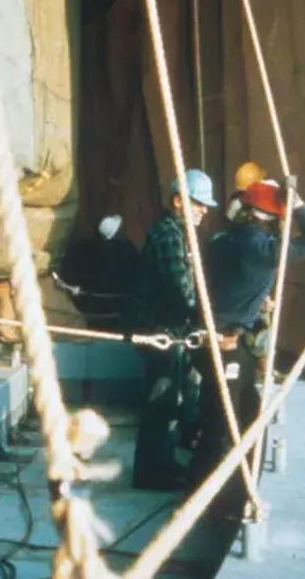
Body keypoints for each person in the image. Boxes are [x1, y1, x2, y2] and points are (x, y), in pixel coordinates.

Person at [190, 178, 305, 510]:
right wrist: (297, 205)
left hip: (208, 338)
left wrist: (255, 301)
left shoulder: (221, 241)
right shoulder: (266, 250)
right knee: (229, 422)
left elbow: (234, 283)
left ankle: (201, 488)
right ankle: (211, 498)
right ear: (274, 215)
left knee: (219, 414)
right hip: (226, 342)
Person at [126, 169, 218, 490]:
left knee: (173, 399)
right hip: (161, 331)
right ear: (179, 201)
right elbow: (180, 289)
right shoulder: (170, 235)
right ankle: (151, 472)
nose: (205, 210)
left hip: (169, 329)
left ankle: (161, 463)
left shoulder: (179, 234)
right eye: (198, 203)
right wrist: (209, 317)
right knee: (163, 400)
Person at [53, 214, 140, 317]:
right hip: (116, 302)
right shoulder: (125, 251)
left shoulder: (91, 250)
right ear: (117, 233)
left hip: (102, 299)